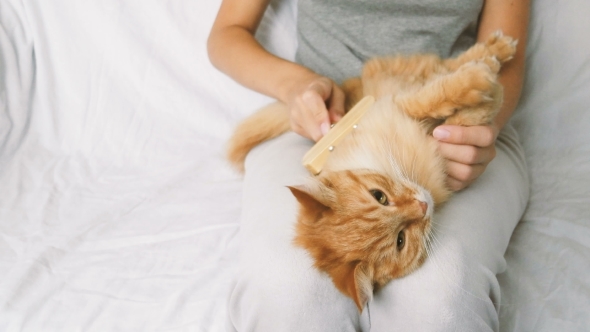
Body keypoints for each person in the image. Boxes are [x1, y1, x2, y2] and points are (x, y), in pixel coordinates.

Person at [208, 0, 530, 330]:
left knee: (441, 301)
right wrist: (295, 86)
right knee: (285, 293)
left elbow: (507, 50)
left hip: (450, 115)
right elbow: (226, 33)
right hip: (319, 125)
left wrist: (475, 128)